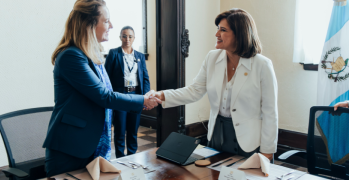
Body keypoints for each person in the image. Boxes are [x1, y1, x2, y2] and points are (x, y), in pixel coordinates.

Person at [42, 0, 161, 179]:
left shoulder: (92, 55)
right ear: (89, 24)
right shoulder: (71, 56)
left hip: (90, 143)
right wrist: (142, 100)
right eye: (106, 21)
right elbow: (104, 96)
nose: (111, 26)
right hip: (71, 150)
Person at [148, 8, 278, 161]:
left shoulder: (262, 65)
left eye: (223, 30)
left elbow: (270, 112)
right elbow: (194, 90)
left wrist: (267, 151)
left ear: (240, 34)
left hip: (249, 141)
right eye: (218, 29)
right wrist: (161, 95)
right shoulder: (212, 58)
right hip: (217, 134)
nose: (217, 34)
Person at [104, 26, 150, 158]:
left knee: (133, 129)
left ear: (134, 38)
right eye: (124, 36)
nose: (127, 39)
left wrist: (146, 96)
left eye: (130, 36)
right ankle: (120, 158)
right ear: (120, 37)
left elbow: (145, 78)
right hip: (120, 96)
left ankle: (132, 157)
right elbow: (106, 78)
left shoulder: (140, 56)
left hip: (136, 96)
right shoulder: (114, 54)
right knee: (119, 129)